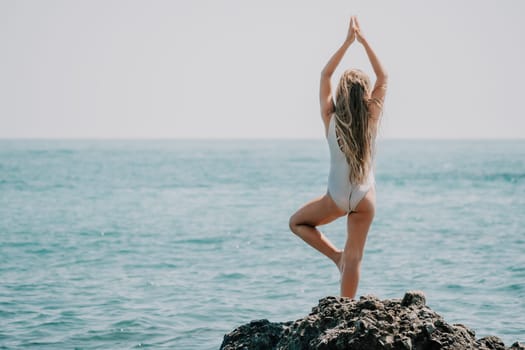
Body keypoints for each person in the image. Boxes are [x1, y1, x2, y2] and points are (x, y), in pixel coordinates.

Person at [289, 16, 388, 298]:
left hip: (335, 196)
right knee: (355, 258)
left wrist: (347, 42)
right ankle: (346, 312)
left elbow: (324, 76)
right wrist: (365, 41)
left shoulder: (329, 118)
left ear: (342, 94)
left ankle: (335, 256)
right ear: (366, 96)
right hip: (365, 197)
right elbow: (383, 78)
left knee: (296, 223)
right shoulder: (371, 118)